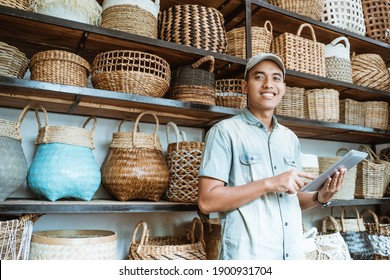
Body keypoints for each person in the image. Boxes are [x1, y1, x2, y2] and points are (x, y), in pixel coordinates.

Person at [197, 53, 346, 260]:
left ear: (283, 88)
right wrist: (268, 183)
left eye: (276, 78)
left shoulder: (290, 138)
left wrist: (321, 197)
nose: (268, 84)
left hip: (292, 256)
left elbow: (292, 199)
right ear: (244, 86)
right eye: (259, 77)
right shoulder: (224, 132)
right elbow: (207, 201)